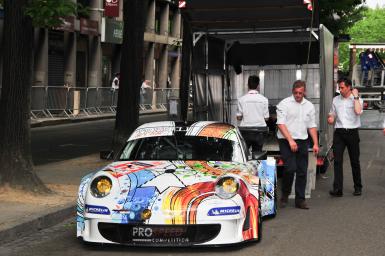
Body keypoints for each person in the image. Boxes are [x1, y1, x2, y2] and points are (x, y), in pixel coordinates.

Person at [277, 80, 319, 210]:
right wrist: (290, 140)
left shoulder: (310, 106)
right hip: (286, 139)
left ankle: (300, 200)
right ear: (292, 91)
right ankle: (285, 194)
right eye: (296, 93)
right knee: (290, 168)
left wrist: (316, 143)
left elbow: (311, 126)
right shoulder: (284, 104)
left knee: (302, 170)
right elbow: (280, 124)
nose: (298, 95)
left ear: (304, 92)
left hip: (302, 140)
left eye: (300, 93)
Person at [328, 78, 363, 197]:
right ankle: (338, 189)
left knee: (355, 161)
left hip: (352, 132)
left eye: (342, 87)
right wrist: (331, 118)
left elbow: (358, 112)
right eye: (339, 87)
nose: (340, 89)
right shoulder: (335, 100)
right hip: (339, 133)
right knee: (337, 161)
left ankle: (358, 187)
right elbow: (332, 113)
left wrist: (356, 97)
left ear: (349, 87)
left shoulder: (356, 99)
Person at [236, 75, 269, 155]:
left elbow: (239, 117)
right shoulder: (264, 99)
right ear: (258, 86)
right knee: (257, 154)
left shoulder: (241, 99)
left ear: (248, 85)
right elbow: (266, 118)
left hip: (245, 131)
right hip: (260, 131)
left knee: (243, 154)